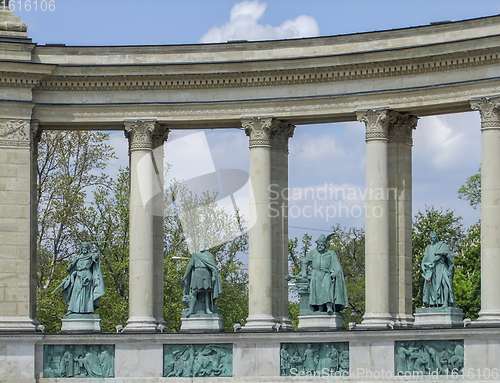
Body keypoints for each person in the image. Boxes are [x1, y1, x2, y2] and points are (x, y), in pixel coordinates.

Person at [301, 234, 348, 314]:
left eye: (322, 244)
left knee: (327, 289)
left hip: (326, 274)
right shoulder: (312, 253)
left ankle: (329, 307)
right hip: (315, 274)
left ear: (325, 245)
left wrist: (334, 273)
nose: (320, 246)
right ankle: (320, 309)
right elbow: (305, 263)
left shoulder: (331, 253)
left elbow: (338, 267)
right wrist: (304, 273)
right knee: (316, 291)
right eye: (319, 244)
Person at [180, 239, 222, 317]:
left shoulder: (209, 255)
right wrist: (185, 277)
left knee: (206, 292)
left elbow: (213, 268)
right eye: (200, 245)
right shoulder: (195, 255)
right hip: (197, 274)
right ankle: (191, 309)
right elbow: (189, 267)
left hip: (206, 274)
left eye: (203, 245)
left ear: (205, 246)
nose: (201, 246)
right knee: (194, 292)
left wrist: (213, 276)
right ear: (199, 246)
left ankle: (207, 309)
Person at [60, 241, 105, 315]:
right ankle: (71, 309)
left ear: (88, 249)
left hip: (87, 275)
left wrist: (99, 250)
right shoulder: (78, 257)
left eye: (86, 248)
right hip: (78, 275)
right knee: (75, 292)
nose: (84, 249)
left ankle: (87, 310)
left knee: (86, 294)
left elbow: (96, 257)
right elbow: (71, 268)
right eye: (83, 248)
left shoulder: (90, 256)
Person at [421, 232, 456, 308]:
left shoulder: (442, 245)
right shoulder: (428, 248)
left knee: (445, 283)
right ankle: (432, 303)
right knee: (431, 286)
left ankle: (445, 302)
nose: (432, 239)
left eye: (433, 237)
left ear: (436, 237)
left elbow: (441, 255)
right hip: (431, 270)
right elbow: (424, 259)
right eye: (431, 237)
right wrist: (423, 266)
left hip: (441, 267)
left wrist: (433, 261)